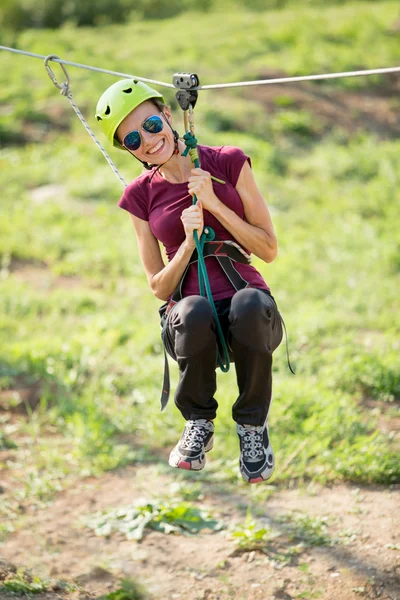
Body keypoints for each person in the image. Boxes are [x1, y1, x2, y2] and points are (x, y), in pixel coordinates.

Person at [95, 78, 283, 484]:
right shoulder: (139, 196)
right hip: (190, 320)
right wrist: (185, 246)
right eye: (131, 139)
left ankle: (253, 426)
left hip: (248, 310)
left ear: (167, 115)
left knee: (248, 302)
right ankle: (198, 421)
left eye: (149, 125)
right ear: (128, 150)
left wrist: (215, 203)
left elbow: (268, 249)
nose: (146, 140)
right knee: (193, 308)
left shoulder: (228, 162)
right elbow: (158, 288)